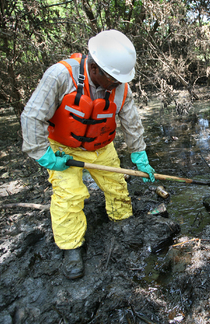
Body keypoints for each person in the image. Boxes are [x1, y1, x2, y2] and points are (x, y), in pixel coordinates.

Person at [20, 30, 156, 280]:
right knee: (69, 195)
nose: (117, 84)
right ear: (95, 68)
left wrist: (139, 155)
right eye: (113, 79)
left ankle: (122, 223)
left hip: (102, 146)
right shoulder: (60, 76)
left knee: (117, 186)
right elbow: (31, 116)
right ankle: (71, 248)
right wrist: (44, 154)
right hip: (64, 148)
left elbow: (132, 123)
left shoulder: (120, 88)